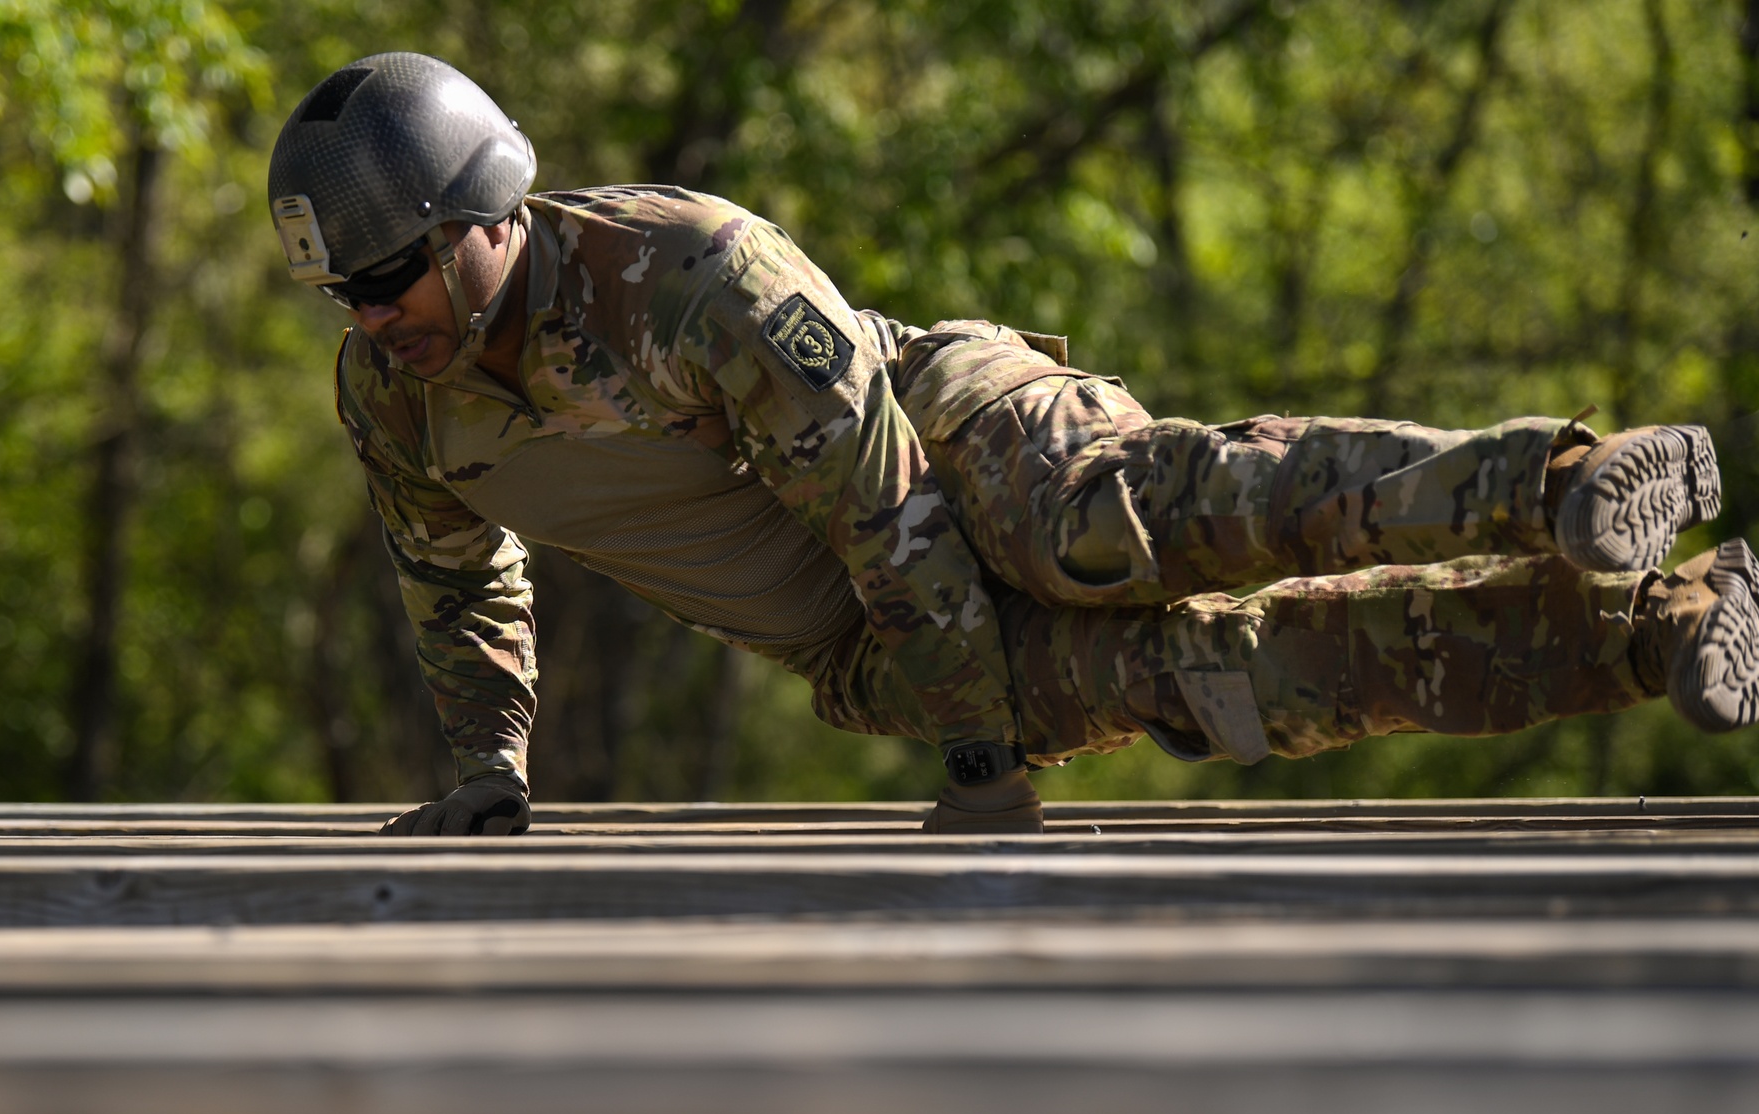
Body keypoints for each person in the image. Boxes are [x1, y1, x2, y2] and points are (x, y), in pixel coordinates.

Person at [265, 52, 1755, 836]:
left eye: (388, 277)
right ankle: (1652, 633)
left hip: (949, 445)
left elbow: (872, 470)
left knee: (1127, 523)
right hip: (872, 633)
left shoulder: (679, 270)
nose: (370, 315)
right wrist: (487, 758)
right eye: (343, 292)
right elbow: (458, 579)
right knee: (1228, 684)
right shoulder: (396, 395)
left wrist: (978, 736)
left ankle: (1558, 485)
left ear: (483, 222)